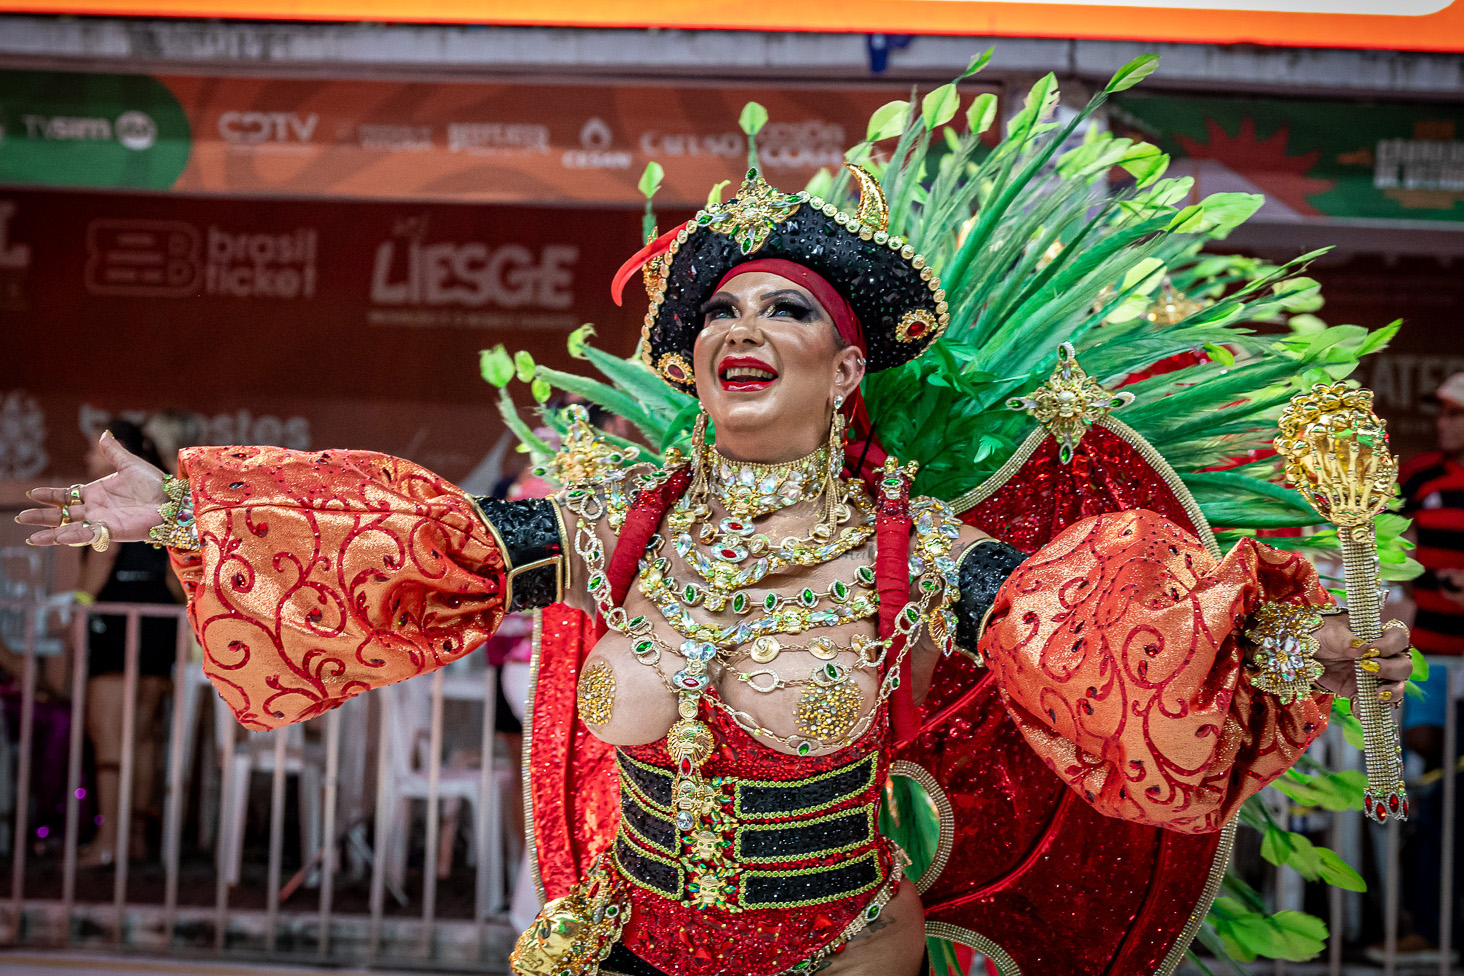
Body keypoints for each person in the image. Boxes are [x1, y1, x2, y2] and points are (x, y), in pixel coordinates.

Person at [71, 419, 181, 866]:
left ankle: (107, 843)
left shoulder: (113, 495)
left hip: (118, 617)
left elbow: (106, 550)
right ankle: (133, 838)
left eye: (94, 450)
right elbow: (174, 576)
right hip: (159, 617)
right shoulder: (164, 497)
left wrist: (80, 604)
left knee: (109, 735)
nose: (87, 458)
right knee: (142, 734)